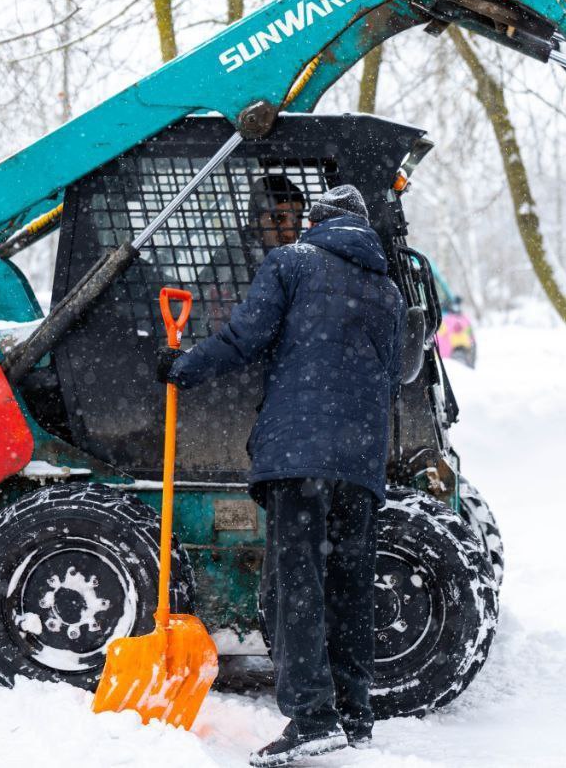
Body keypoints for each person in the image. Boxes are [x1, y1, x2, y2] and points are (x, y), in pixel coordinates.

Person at [157, 184, 405, 767]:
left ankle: (313, 718)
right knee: (347, 589)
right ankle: (353, 716)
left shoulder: (292, 262)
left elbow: (246, 338)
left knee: (295, 586)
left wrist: (183, 367)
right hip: (361, 462)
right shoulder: (388, 290)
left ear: (317, 222)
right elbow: (393, 373)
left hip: (301, 458)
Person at [199, 174, 305, 330]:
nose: (290, 232)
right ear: (255, 221)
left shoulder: (291, 261)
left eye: (297, 219)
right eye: (277, 218)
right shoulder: (236, 259)